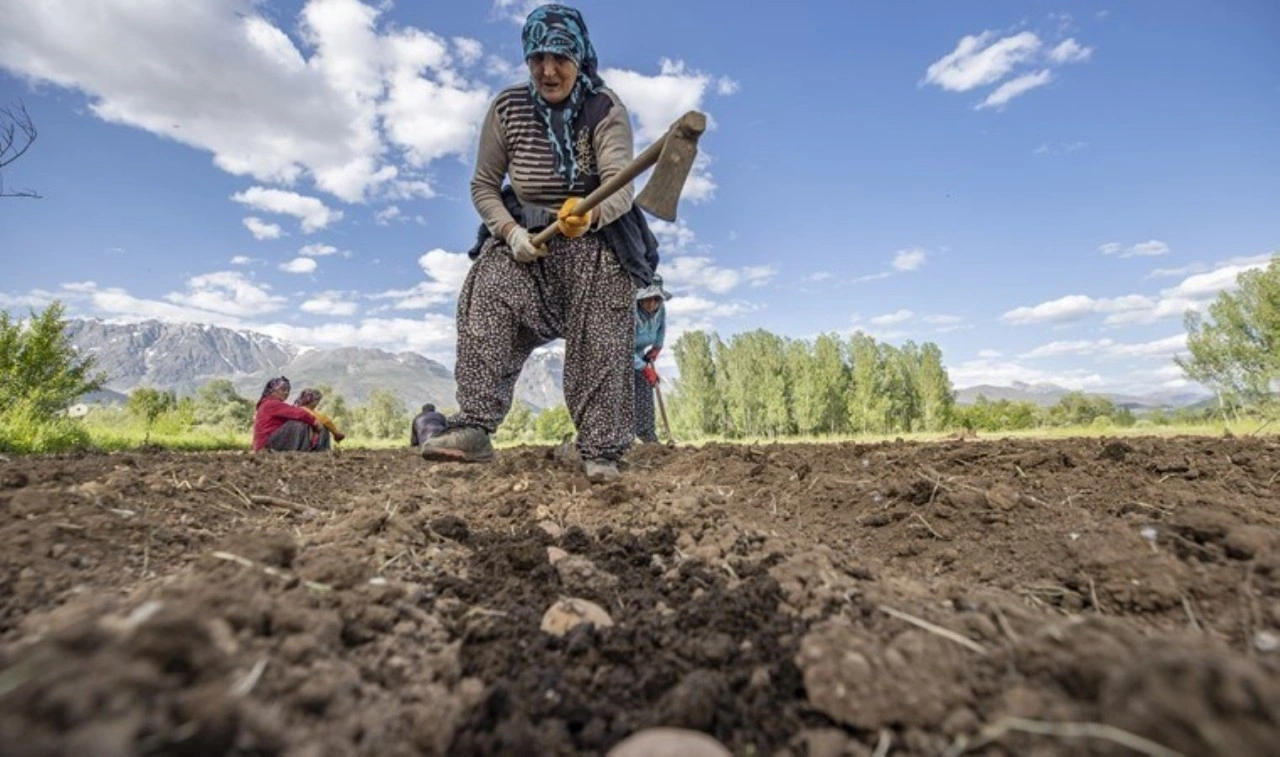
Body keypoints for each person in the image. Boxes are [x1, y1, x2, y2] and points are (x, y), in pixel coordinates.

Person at [421, 4, 659, 483]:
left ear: (579, 55)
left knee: (602, 317)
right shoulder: (507, 109)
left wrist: (588, 214)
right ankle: (474, 426)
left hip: (595, 241)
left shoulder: (605, 109)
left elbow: (621, 186)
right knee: (486, 285)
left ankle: (600, 448)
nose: (549, 70)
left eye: (560, 57)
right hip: (528, 243)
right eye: (537, 58)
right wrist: (510, 234)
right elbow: (483, 185)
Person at [633, 274, 670, 443]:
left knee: (645, 389)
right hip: (617, 356)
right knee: (622, 393)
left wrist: (656, 347)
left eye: (656, 300)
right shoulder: (629, 313)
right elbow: (623, 347)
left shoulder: (660, 310)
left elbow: (661, 328)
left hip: (638, 354)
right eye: (647, 299)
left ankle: (647, 435)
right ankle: (621, 437)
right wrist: (644, 368)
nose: (651, 304)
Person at [252, 377, 322, 452]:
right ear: (272, 391)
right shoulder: (271, 404)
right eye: (283, 390)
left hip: (266, 442)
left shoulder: (267, 404)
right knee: (298, 424)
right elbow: (299, 413)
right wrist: (314, 422)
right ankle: (301, 451)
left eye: (288, 390)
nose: (286, 392)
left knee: (299, 422)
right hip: (267, 444)